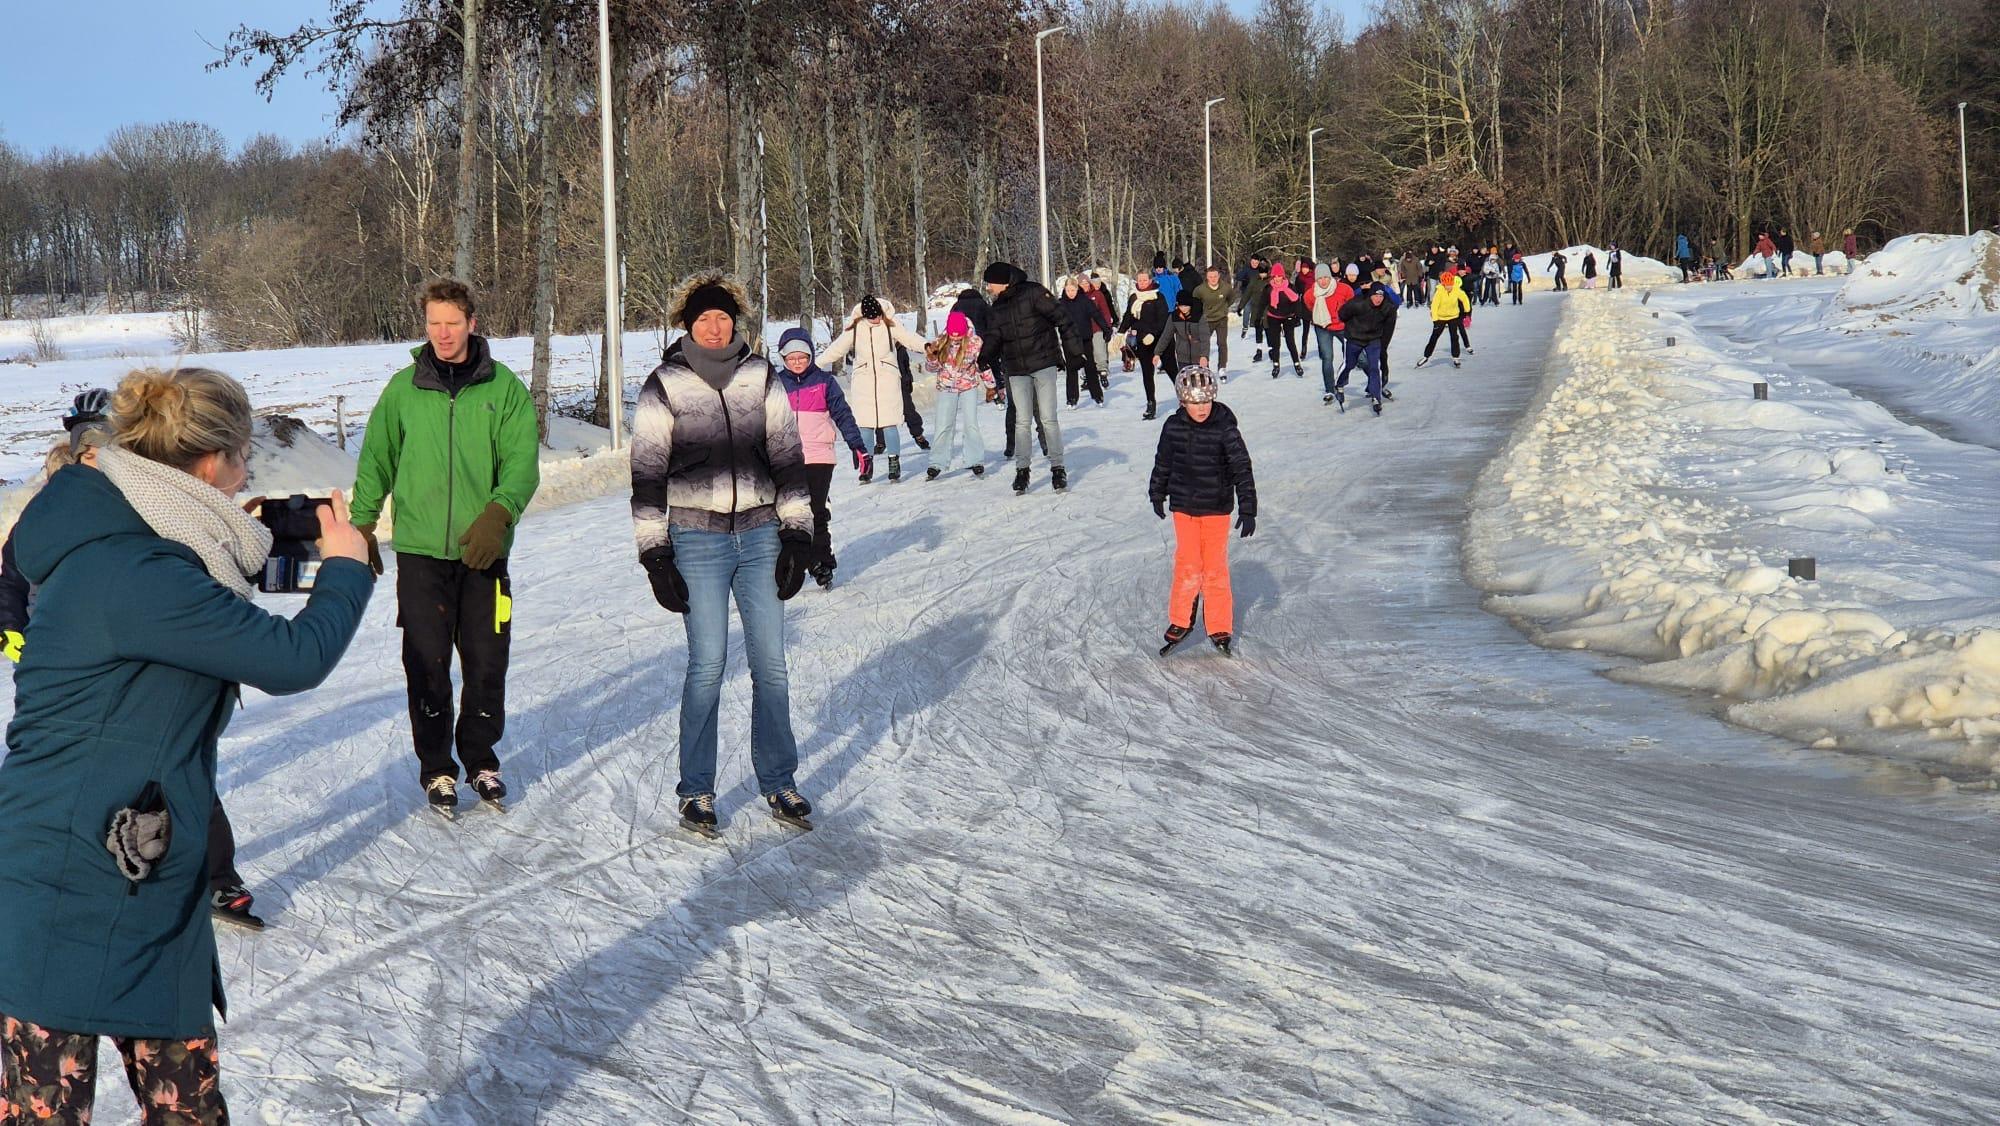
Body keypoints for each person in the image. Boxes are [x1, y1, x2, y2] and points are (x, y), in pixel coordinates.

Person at [0, 366, 373, 1124]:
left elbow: (209, 587)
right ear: (210, 461)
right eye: (243, 463)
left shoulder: (142, 536)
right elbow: (293, 659)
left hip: (140, 868)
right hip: (66, 875)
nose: (244, 481)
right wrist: (345, 570)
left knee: (188, 1110)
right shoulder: (136, 569)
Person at [0, 392, 274, 934]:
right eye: (84, 440)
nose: (92, 450)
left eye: (101, 440)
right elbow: (10, 573)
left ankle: (218, 877)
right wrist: (14, 634)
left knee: (181, 771)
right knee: (70, 780)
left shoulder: (142, 501)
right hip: (66, 664)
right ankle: (61, 888)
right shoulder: (55, 503)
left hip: (142, 661)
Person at [631, 274, 815, 833]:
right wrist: (655, 554)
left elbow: (787, 456)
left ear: (738, 322)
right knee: (707, 665)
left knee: (772, 666)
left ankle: (779, 780)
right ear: (687, 324)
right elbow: (646, 476)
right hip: (697, 540)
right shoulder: (664, 384)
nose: (715, 327)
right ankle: (697, 790)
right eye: (704, 318)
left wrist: (799, 533)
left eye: (724, 317)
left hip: (761, 536)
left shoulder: (762, 377)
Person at [351, 278, 540, 817]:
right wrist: (361, 525)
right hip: (420, 553)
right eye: (434, 323)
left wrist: (498, 515)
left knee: (486, 661)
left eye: (451, 323)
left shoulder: (503, 389)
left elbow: (522, 464)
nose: (442, 333)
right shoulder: (403, 390)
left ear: (472, 323)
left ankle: (480, 756)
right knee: (426, 663)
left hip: (484, 552)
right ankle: (437, 768)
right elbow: (377, 460)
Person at [1148, 366, 1256, 657]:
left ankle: (1219, 624)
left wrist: (1248, 507)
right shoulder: (1172, 427)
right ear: (1183, 401)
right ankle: (1181, 619)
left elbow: (1241, 467)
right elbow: (1163, 462)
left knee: (1215, 567)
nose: (1201, 408)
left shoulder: (1224, 428)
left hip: (1216, 508)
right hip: (1183, 506)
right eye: (1195, 402)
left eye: (1206, 401)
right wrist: (1157, 492)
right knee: (1187, 563)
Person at [774, 328, 870, 589]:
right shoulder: (775, 384)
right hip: (784, 457)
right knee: (784, 512)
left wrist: (857, 445)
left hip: (818, 455)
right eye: (791, 358)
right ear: (783, 358)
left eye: (802, 357)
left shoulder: (824, 382)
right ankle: (788, 561)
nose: (797, 362)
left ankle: (821, 562)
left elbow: (843, 415)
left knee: (814, 510)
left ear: (811, 356)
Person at [980, 261, 1070, 494]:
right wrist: (983, 357)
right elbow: (994, 335)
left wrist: (1073, 350)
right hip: (1016, 369)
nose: (988, 288)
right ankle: (1022, 470)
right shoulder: (998, 306)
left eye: (990, 283)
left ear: (1003, 282)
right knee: (1022, 421)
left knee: (1048, 418)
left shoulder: (1034, 292)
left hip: (1043, 363)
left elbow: (1061, 317)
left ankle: (1058, 468)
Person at [818, 294, 928, 483]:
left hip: (888, 379)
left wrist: (926, 346)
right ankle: (866, 465)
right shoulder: (855, 329)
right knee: (864, 427)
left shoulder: (890, 324)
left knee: (890, 424)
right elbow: (837, 348)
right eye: (871, 317)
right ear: (865, 316)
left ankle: (894, 462)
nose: (875, 320)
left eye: (877, 316)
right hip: (864, 382)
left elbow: (909, 339)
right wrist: (816, 364)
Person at [922, 311, 997, 481]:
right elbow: (931, 369)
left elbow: (982, 365)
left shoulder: (975, 343)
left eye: (958, 337)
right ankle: (937, 463)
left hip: (968, 386)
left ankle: (975, 459)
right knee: (943, 425)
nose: (955, 340)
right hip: (946, 387)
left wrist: (990, 386)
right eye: (953, 337)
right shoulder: (940, 343)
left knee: (971, 424)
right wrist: (932, 358)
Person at [1335, 281, 1401, 414]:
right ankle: (1339, 385)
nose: (1378, 299)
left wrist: (1383, 347)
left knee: (1373, 367)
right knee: (1350, 364)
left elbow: (1388, 329)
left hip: (1373, 339)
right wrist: (1351, 326)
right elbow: (1342, 314)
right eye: (1376, 296)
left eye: (1381, 296)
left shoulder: (1388, 308)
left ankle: (1376, 397)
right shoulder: (1358, 303)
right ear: (1370, 295)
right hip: (1354, 337)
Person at [1117, 269, 1169, 420]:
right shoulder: (1134, 297)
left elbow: (1163, 318)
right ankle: (1150, 403)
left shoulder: (1158, 296)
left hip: (1159, 338)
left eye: (1145, 280)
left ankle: (1183, 399)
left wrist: (1153, 334)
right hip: (1142, 340)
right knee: (1147, 373)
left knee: (1171, 369)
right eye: (1140, 280)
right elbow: (1129, 316)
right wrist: (1121, 332)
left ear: (1150, 280)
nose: (1143, 283)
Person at [1057, 275, 1109, 407]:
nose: (1071, 293)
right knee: (1072, 369)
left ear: (1077, 289)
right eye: (1068, 291)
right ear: (1065, 290)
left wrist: (1106, 329)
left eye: (1073, 290)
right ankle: (1072, 399)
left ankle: (1097, 396)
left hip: (1085, 338)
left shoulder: (1084, 301)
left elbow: (1096, 314)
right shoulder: (1060, 304)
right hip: (1069, 340)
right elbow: (1052, 319)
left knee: (1090, 367)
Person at [1306, 263, 1352, 403]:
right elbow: (1310, 306)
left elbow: (1352, 304)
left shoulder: (1343, 289)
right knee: (1327, 358)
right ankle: (1329, 390)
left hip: (1342, 326)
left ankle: (1373, 383)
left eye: (1326, 277)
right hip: (1323, 327)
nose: (1323, 281)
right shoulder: (1311, 294)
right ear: (1316, 280)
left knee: (1357, 356)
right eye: (1320, 278)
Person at [1416, 270, 1473, 368]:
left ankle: (1456, 357)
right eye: (1446, 285)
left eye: (1450, 284)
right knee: (1434, 337)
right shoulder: (1439, 292)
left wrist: (1467, 310)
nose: (1449, 287)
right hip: (1440, 317)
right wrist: (1435, 319)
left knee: (1454, 337)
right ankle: (1426, 356)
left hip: (1453, 316)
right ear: (1443, 284)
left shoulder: (1456, 289)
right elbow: (1434, 306)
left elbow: (1464, 298)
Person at [1263, 260, 1305, 379]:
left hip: (1288, 317)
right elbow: (1262, 303)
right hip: (1273, 317)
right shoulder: (1268, 288)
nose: (1277, 278)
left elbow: (1297, 302)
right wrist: (1258, 317)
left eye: (1279, 276)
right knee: (1275, 343)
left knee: (1290, 341)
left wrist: (1297, 316)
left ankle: (1297, 364)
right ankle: (1276, 365)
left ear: (1283, 276)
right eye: (1275, 276)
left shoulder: (1290, 287)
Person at [1190, 265, 1236, 374]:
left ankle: (1222, 367)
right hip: (1206, 320)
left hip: (1221, 319)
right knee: (1203, 344)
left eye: (1215, 276)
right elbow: (1194, 303)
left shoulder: (1226, 287)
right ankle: (1205, 366)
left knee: (1222, 343)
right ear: (1206, 277)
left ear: (1219, 276)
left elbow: (1231, 298)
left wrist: (1224, 308)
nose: (1213, 279)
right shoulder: (1200, 290)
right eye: (1210, 277)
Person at [1161, 289, 1208, 379]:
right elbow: (1166, 336)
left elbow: (1205, 338)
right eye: (1181, 306)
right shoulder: (1174, 317)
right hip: (1182, 358)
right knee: (1186, 385)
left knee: (1201, 384)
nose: (1183, 308)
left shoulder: (1199, 316)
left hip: (1198, 357)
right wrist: (1157, 353)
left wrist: (1204, 356)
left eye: (1186, 306)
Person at [1242, 259, 1271, 364]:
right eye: (1261, 272)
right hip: (1257, 310)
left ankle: (1271, 349)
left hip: (1268, 310)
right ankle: (1259, 350)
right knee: (1258, 330)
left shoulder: (1270, 281)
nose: (1262, 275)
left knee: (1268, 330)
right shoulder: (1254, 281)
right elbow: (1247, 294)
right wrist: (1241, 306)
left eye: (1264, 273)